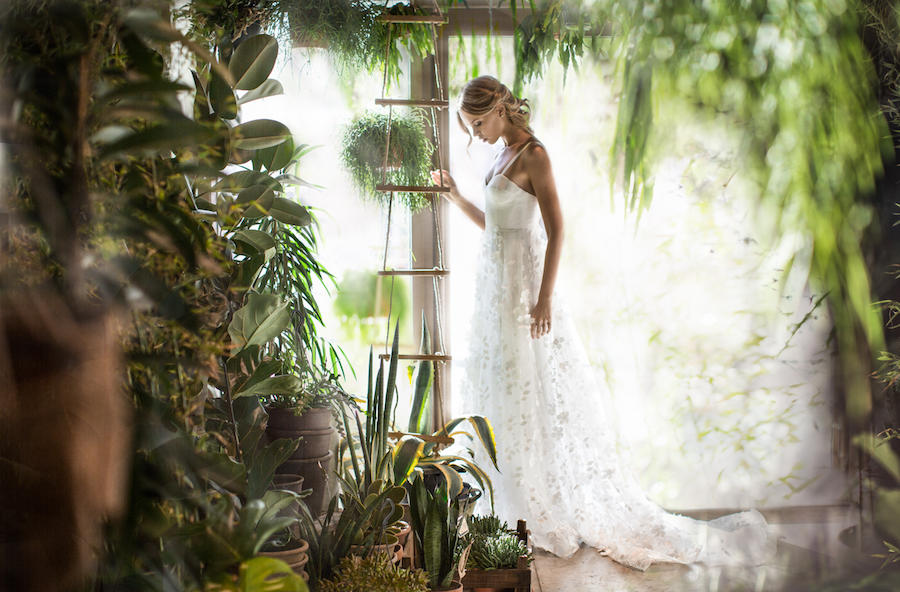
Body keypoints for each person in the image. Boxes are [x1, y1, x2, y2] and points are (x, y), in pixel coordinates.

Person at [430, 75, 779, 571]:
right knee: (505, 393)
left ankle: (541, 508)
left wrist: (545, 298)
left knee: (534, 393)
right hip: (494, 295)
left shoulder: (534, 155)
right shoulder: (498, 157)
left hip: (524, 292)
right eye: (470, 127)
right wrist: (455, 197)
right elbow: (496, 230)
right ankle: (513, 509)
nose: (476, 134)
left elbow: (555, 230)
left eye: (479, 123)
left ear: (502, 109)